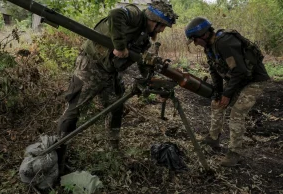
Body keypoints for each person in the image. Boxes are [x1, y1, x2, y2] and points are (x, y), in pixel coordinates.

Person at [56, 0, 178, 174]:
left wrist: (151, 78)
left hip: (110, 72)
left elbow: (141, 61)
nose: (161, 30)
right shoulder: (135, 15)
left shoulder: (144, 38)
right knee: (74, 110)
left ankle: (112, 150)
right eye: (162, 26)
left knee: (116, 107)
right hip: (91, 66)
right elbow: (115, 14)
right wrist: (120, 46)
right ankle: (57, 157)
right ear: (154, 19)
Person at [185, 17, 270, 167]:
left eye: (195, 40)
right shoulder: (209, 47)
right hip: (239, 79)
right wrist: (218, 92)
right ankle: (213, 137)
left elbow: (240, 71)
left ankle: (234, 153)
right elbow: (214, 71)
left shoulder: (224, 42)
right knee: (216, 103)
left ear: (204, 34)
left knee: (237, 113)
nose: (196, 43)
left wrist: (227, 94)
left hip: (254, 80)